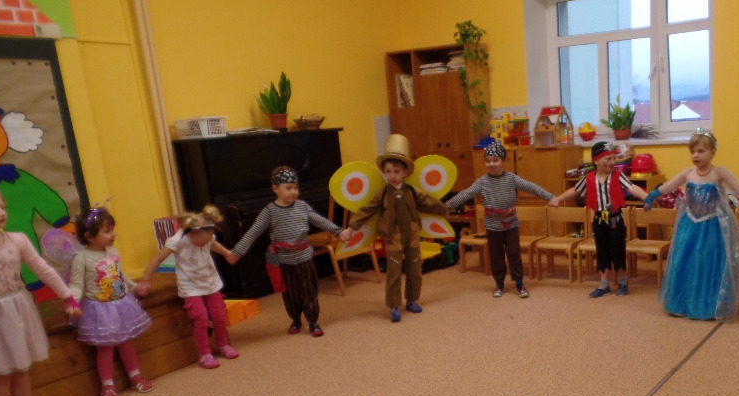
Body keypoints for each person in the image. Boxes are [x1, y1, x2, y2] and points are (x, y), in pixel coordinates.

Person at [0, 184, 81, 396]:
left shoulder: (17, 240)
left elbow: (43, 269)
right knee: (1, 371)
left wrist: (66, 295)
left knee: (21, 367)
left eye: (2, 207)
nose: (1, 212)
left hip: (18, 308)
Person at [641, 128, 739, 320]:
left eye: (701, 151)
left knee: (708, 263)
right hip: (689, 225)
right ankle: (682, 303)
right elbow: (667, 187)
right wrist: (650, 197)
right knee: (685, 262)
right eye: (692, 151)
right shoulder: (688, 173)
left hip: (713, 226)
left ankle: (708, 305)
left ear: (713, 151)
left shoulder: (719, 172)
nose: (695, 155)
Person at [225, 166, 351, 337]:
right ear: (275, 189)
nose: (293, 192)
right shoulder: (270, 211)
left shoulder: (302, 206)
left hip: (304, 257)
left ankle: (313, 321)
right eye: (288, 188)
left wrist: (339, 231)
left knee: (309, 290)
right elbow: (253, 232)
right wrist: (237, 252)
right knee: (290, 293)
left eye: (296, 188)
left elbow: (320, 221)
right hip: (284, 261)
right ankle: (296, 318)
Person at [347, 134, 449, 322]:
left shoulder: (411, 191)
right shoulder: (383, 193)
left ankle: (412, 299)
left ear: (405, 173)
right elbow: (367, 209)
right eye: (388, 172)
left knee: (414, 269)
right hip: (392, 236)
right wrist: (352, 227)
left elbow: (427, 202)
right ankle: (394, 305)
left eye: (396, 171)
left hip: (411, 233)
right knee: (394, 272)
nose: (392, 176)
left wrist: (444, 209)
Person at [69, 203, 154, 396]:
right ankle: (107, 386)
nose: (113, 234)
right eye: (107, 231)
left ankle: (135, 376)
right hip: (99, 309)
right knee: (105, 348)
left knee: (126, 342)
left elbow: (121, 276)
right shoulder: (81, 257)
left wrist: (134, 287)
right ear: (89, 236)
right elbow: (76, 284)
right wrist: (71, 301)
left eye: (113, 229)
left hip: (121, 305)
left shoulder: (113, 252)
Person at [446, 140, 554, 297]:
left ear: (504, 161)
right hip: (492, 226)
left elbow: (531, 187)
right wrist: (447, 206)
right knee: (496, 256)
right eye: (488, 161)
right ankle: (499, 283)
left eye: (495, 160)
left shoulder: (511, 178)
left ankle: (519, 283)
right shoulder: (482, 181)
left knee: (514, 254)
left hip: (511, 225)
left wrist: (549, 197)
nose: (491, 164)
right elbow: (466, 194)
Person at [136, 205, 239, 369]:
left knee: (219, 316)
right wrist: (145, 280)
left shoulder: (206, 235)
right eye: (203, 242)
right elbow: (157, 260)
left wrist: (227, 253)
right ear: (193, 233)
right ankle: (204, 354)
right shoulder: (178, 240)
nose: (206, 244)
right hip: (190, 287)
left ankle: (223, 344)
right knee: (201, 319)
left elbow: (214, 245)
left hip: (211, 282)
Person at [549, 141, 649, 297]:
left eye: (614, 158)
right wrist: (558, 199)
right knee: (602, 252)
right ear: (596, 160)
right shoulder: (589, 178)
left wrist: (647, 198)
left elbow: (632, 188)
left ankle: (623, 282)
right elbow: (574, 190)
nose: (612, 162)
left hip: (616, 221)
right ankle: (604, 285)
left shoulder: (618, 176)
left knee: (618, 252)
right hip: (599, 221)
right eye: (608, 159)